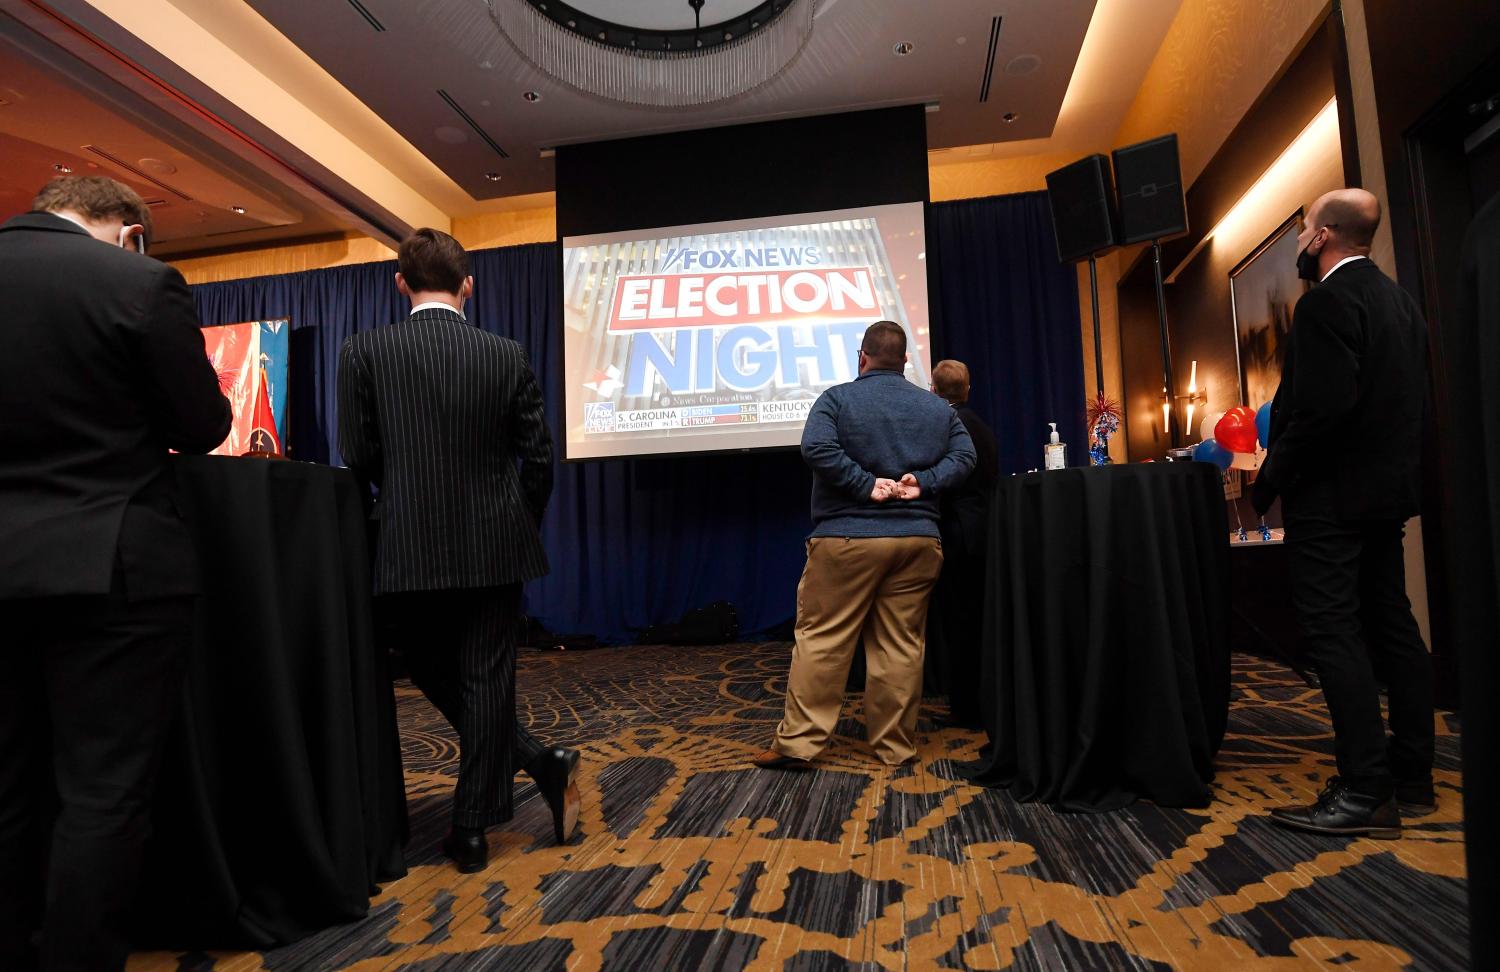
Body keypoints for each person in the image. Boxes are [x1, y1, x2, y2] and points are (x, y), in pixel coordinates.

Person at [0, 176, 232, 971]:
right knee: (103, 791)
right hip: (111, 566)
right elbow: (202, 427)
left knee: (6, 787)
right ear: (129, 230)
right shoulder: (137, 282)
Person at [336, 228, 579, 873]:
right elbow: (540, 458)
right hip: (496, 544)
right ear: (467, 284)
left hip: (405, 545)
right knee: (486, 675)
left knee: (428, 668)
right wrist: (518, 521)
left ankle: (488, 808)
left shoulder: (363, 351)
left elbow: (356, 456)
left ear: (400, 283)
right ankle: (506, 790)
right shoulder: (503, 352)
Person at [1252, 188, 1434, 839]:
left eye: (1303, 229)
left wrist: (1269, 480)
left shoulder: (1329, 302)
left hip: (1331, 498)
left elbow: (1320, 413)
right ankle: (1413, 774)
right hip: (1385, 495)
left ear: (1324, 234)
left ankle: (1365, 788)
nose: (1300, 240)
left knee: (1333, 631)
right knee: (1392, 625)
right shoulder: (1401, 303)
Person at [754, 321, 976, 769]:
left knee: (823, 641)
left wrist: (864, 485)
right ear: (907, 361)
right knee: (901, 643)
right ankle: (894, 747)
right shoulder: (937, 409)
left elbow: (815, 447)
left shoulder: (836, 398)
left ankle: (799, 745)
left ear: (862, 357)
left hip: (846, 538)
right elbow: (966, 457)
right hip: (917, 541)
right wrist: (924, 484)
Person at [924, 360, 999, 728]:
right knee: (976, 620)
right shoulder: (981, 425)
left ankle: (966, 709)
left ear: (933, 390)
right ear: (967, 389)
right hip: (984, 530)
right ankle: (977, 703)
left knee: (960, 623)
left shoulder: (948, 427)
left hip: (957, 534)